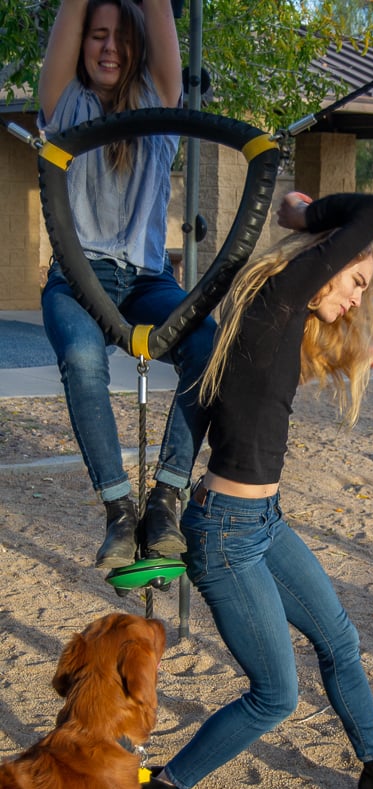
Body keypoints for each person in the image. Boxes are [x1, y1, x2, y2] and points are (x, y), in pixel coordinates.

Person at [138, 191, 373, 789]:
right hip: (223, 535)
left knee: (339, 641)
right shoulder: (279, 297)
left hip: (263, 525)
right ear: (322, 264)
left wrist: (356, 355)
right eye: (356, 283)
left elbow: (263, 386)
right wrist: (307, 216)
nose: (356, 301)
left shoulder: (275, 326)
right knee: (276, 694)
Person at [38, 0, 217, 569]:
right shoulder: (66, 107)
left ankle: (165, 496)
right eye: (97, 35)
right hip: (76, 280)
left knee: (206, 341)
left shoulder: (159, 109)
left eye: (120, 37)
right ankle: (119, 511)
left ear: (138, 48)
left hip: (145, 280)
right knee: (84, 357)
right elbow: (72, 12)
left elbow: (159, 12)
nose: (108, 46)